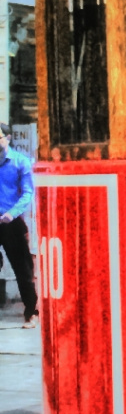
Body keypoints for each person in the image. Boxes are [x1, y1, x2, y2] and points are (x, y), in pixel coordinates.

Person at [0, 124, 37, 324]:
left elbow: (28, 192)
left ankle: (31, 312)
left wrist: (12, 213)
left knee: (22, 269)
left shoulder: (20, 162)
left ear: (8, 137)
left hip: (11, 222)